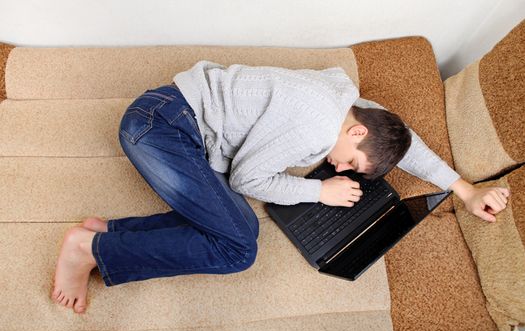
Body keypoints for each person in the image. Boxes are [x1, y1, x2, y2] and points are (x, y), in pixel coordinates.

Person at [51, 61, 510, 314]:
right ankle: (89, 250)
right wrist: (318, 193)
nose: (339, 167)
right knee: (238, 252)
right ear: (354, 134)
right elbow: (247, 179)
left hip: (168, 119)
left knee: (243, 227)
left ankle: (111, 232)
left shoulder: (346, 104)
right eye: (351, 162)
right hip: (160, 128)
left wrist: (465, 189)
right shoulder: (315, 125)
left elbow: (400, 137)